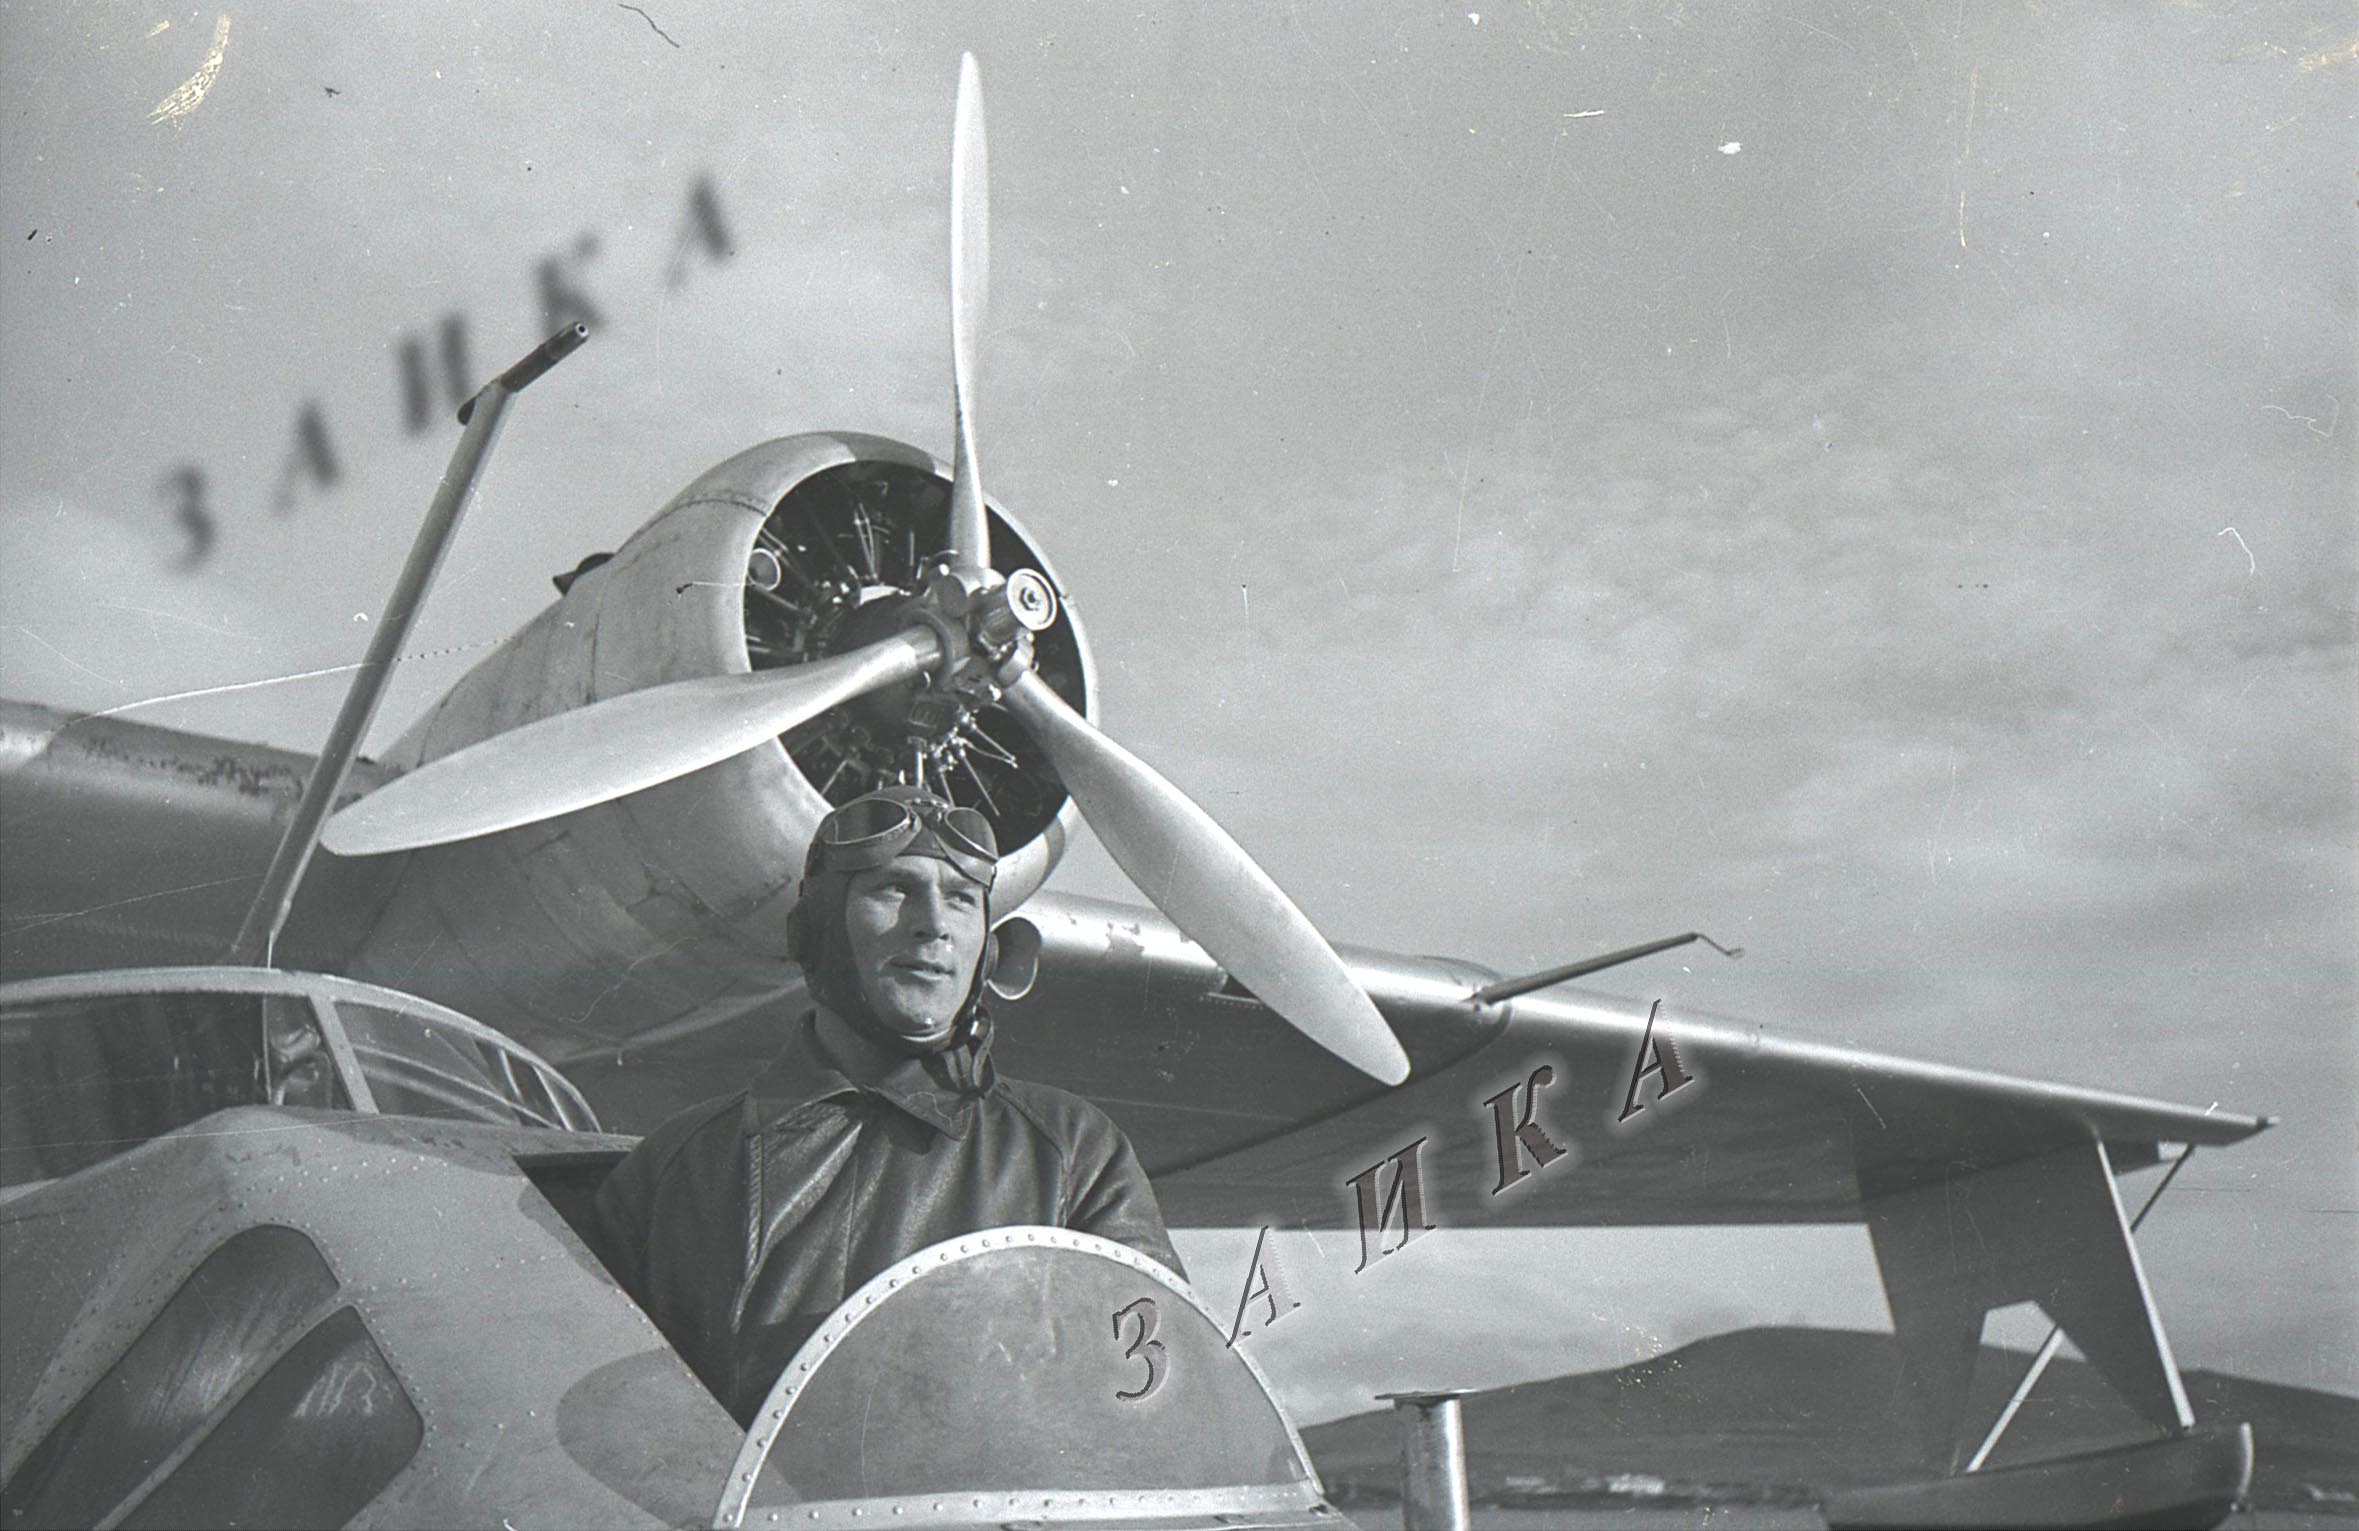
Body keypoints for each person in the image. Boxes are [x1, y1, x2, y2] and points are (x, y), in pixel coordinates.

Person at [594, 785, 1182, 1425]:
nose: (934, 924)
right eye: (894, 889)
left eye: (961, 899)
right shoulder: (678, 1170)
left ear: (988, 947)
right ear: (817, 931)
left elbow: (1157, 1402)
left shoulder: (1074, 1153)